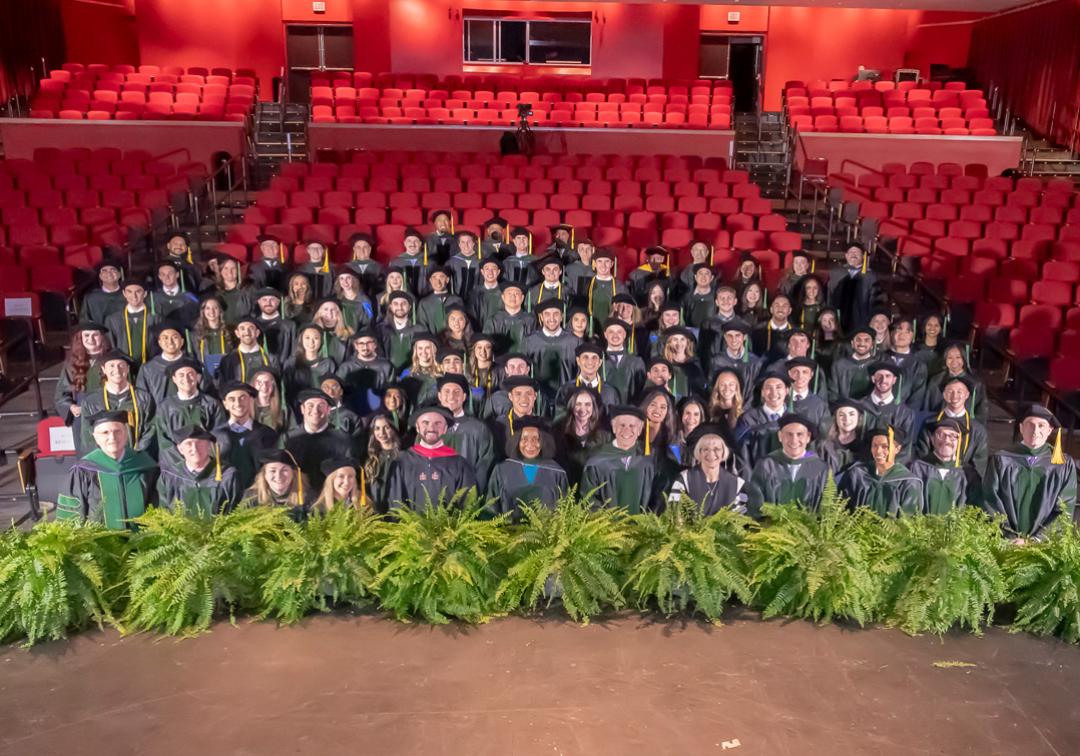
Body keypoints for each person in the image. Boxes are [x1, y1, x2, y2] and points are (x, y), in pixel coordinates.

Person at [983, 405, 1078, 541]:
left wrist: (1038, 540)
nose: (1035, 431)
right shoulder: (1002, 459)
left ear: (1049, 430)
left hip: (1045, 547)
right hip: (1005, 543)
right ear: (1021, 428)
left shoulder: (1063, 464)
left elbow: (1065, 507)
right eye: (1030, 425)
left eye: (1041, 426)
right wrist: (1008, 536)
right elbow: (990, 500)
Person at [57, 410, 158, 529]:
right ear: (95, 437)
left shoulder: (144, 465)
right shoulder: (83, 471)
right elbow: (70, 517)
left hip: (141, 542)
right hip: (99, 544)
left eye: (117, 431)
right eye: (105, 432)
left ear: (126, 433)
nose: (112, 437)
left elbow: (158, 506)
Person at [385, 406, 478, 512]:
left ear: (445, 428)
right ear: (417, 427)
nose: (431, 428)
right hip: (408, 528)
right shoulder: (401, 462)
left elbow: (468, 507)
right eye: (425, 422)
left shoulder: (460, 465)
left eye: (437, 423)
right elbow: (394, 505)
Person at [746, 413, 831, 516]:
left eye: (799, 434)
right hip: (771, 530)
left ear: (808, 437)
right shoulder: (766, 465)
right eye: (789, 434)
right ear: (780, 436)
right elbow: (755, 506)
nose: (794, 440)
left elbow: (828, 510)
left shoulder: (820, 468)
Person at [487, 416, 569, 521]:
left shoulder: (557, 472)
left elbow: (566, 510)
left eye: (535, 439)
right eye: (524, 439)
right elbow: (491, 509)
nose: (530, 444)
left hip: (547, 535)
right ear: (517, 441)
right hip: (508, 534)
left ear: (543, 441)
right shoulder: (501, 470)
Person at [581, 405, 657, 513]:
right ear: (614, 428)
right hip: (608, 527)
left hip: (643, 527)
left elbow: (657, 496)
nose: (627, 430)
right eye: (622, 425)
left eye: (632, 426)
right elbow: (590, 499)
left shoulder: (648, 459)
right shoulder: (597, 462)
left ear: (639, 430)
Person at [75, 350, 155, 453]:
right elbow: (87, 437)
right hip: (104, 464)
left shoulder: (144, 398)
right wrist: (106, 458)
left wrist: (136, 455)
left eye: (121, 365)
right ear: (104, 369)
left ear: (128, 369)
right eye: (111, 366)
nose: (117, 370)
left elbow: (150, 431)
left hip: (137, 461)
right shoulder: (91, 401)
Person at [155, 426, 241, 516]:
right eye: (188, 444)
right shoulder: (169, 476)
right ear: (180, 449)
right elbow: (163, 514)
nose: (195, 449)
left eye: (199, 443)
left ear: (208, 445)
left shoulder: (228, 475)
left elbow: (235, 513)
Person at [840, 426, 922, 517]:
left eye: (885, 447)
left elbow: (909, 522)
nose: (878, 451)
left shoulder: (908, 482)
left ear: (897, 449)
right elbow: (842, 509)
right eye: (875, 445)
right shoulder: (857, 474)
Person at [914, 374, 989, 475]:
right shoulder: (930, 423)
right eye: (950, 391)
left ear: (967, 395)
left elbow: (980, 464)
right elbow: (922, 454)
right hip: (932, 476)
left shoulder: (977, 430)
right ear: (944, 395)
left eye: (959, 392)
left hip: (964, 481)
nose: (955, 396)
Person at [666, 425, 748, 515]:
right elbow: (674, 514)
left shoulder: (737, 484)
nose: (711, 454)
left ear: (723, 453)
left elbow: (739, 520)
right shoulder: (683, 480)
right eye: (706, 449)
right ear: (699, 453)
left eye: (717, 449)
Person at [152, 358, 225, 458]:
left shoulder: (211, 404)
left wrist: (203, 460)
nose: (186, 379)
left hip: (207, 463)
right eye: (181, 375)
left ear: (197, 377)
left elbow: (220, 436)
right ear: (174, 379)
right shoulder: (165, 407)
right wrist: (184, 465)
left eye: (190, 374)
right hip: (176, 468)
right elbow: (164, 443)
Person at [284, 388, 357, 488]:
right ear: (302, 409)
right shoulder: (289, 438)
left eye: (321, 405)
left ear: (328, 410)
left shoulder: (343, 439)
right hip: (298, 495)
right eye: (310, 405)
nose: (315, 410)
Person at [437, 374, 497, 490]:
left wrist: (471, 492)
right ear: (439, 396)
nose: (451, 396)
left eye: (456, 392)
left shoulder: (479, 429)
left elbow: (485, 464)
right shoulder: (429, 428)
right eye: (447, 391)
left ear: (464, 396)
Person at [910, 418, 980, 515]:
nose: (946, 440)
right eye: (941, 434)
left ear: (959, 442)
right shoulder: (917, 468)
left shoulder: (968, 474)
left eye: (953, 436)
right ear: (932, 439)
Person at [218, 381, 279, 490]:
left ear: (251, 401)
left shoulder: (267, 434)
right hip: (224, 494)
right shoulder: (215, 436)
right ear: (225, 404)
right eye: (232, 399)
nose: (238, 403)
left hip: (258, 495)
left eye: (242, 398)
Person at [55, 321, 111, 425]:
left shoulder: (113, 360)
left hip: (107, 414)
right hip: (81, 417)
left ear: (102, 337)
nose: (90, 339)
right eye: (86, 335)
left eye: (95, 335)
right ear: (80, 337)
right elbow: (61, 395)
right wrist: (71, 407)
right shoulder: (72, 363)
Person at [238, 449, 311, 522]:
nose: (278, 476)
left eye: (284, 470)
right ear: (264, 475)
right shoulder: (251, 498)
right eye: (273, 471)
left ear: (294, 474)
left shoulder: (308, 499)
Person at [556, 387, 611, 481]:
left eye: (588, 404)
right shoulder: (558, 435)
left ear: (594, 408)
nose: (583, 409)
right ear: (571, 406)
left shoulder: (606, 437)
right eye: (578, 404)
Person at [522, 301, 581, 388]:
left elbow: (580, 373)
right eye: (547, 314)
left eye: (556, 314)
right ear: (541, 317)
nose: (552, 318)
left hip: (567, 395)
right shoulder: (530, 341)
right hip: (538, 396)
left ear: (562, 317)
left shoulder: (575, 342)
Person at [336, 329, 394, 415]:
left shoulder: (386, 366)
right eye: (361, 343)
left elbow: (391, 391)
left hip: (379, 413)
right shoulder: (346, 367)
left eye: (369, 343)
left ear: (375, 344)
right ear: (355, 345)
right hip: (352, 413)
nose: (365, 347)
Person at [106, 278, 158, 366]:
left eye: (138, 291)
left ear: (145, 294)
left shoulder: (155, 318)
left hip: (151, 367)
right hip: (122, 368)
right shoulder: (113, 320)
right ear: (124, 293)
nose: (134, 296)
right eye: (129, 292)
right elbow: (110, 346)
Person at [828, 243, 881, 329]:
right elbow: (829, 296)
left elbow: (875, 299)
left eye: (857, 252)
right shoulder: (836, 273)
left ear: (863, 256)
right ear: (846, 256)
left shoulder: (870, 276)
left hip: (861, 318)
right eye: (851, 252)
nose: (854, 255)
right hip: (838, 318)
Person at [557, 342, 621, 407]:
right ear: (578, 361)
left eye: (594, 358)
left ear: (600, 362)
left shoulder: (610, 392)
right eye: (585, 357)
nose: (590, 362)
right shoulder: (566, 390)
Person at [216, 317, 278, 384]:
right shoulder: (227, 360)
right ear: (237, 333)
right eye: (242, 329)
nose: (247, 332)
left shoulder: (271, 359)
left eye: (251, 328)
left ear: (257, 333)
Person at [362, 410, 401, 510]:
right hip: (377, 513)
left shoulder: (403, 457)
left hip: (399, 513)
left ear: (393, 429)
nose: (381, 432)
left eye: (386, 428)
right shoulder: (371, 458)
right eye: (377, 428)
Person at [376, 291, 423, 372]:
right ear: (390, 307)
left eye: (404, 303)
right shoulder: (381, 329)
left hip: (412, 373)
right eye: (395, 304)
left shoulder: (419, 330)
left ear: (410, 307)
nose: (400, 307)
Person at [817, 399, 866, 475]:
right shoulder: (824, 445)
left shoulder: (866, 444)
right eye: (841, 415)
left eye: (851, 414)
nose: (847, 419)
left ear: (858, 417)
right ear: (835, 418)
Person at [829, 327, 876, 401]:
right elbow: (833, 393)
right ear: (852, 343)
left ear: (872, 344)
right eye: (858, 340)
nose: (862, 343)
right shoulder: (839, 365)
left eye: (866, 340)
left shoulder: (877, 365)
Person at [251, 287, 296, 362]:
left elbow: (293, 353)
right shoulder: (253, 325)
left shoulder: (289, 326)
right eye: (264, 300)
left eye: (272, 299)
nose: (268, 303)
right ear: (259, 302)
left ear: (278, 302)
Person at [79, 260, 125, 325]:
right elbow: (85, 322)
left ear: (119, 275)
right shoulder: (91, 298)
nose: (109, 273)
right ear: (100, 276)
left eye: (113, 270)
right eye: (104, 271)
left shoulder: (129, 294)